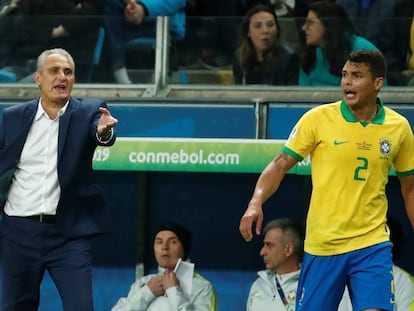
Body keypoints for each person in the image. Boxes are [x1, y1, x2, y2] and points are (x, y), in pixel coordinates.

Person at [239, 50, 414, 310]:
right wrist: (256, 202)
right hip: (323, 246)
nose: (347, 82)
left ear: (377, 83)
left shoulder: (398, 128)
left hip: (371, 243)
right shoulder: (318, 119)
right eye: (344, 75)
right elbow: (279, 165)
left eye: (357, 76)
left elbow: (409, 189)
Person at [0, 48, 118, 310]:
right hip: (18, 232)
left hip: (69, 234)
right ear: (38, 78)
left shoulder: (89, 112)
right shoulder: (13, 117)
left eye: (68, 72)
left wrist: (103, 133)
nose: (62, 77)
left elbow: (101, 134)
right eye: (54, 71)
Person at [112, 222, 217, 310]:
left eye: (173, 242)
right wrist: (146, 293)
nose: (164, 247)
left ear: (184, 248)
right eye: (159, 242)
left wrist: (173, 291)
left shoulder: (203, 287)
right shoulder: (143, 283)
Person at [103, 0, 186, 84]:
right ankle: (120, 75)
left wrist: (144, 9)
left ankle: (120, 73)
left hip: (162, 21)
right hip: (125, 18)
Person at [299, 1, 380, 86]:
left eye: (310, 23)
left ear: (328, 25)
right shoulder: (310, 55)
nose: (304, 28)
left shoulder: (362, 49)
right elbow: (301, 94)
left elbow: (378, 91)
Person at [336, 0, 411, 86]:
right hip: (347, 66)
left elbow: (401, 42)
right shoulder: (342, 3)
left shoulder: (397, 4)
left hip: (388, 69)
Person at [233, 4, 299, 85]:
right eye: (258, 26)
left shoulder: (289, 58)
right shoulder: (239, 57)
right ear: (248, 32)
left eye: (270, 25)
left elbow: (289, 95)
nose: (265, 30)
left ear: (277, 29)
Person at [247, 218, 304, 311]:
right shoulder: (259, 285)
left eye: (269, 245)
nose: (262, 252)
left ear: (288, 250)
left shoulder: (308, 286)